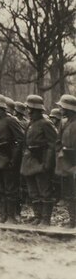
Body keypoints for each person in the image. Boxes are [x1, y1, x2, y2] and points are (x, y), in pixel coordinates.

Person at [0, 93, 25, 223]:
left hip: (8, 158)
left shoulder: (11, 120)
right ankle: (3, 215)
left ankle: (11, 216)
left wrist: (14, 159)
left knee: (10, 189)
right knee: (1, 189)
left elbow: (20, 139)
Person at [20, 95, 57, 225]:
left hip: (41, 161)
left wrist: (47, 163)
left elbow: (53, 145)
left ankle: (46, 219)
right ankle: (38, 216)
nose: (28, 111)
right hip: (30, 161)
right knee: (33, 191)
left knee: (44, 191)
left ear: (37, 109)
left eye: (30, 109)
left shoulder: (46, 123)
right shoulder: (31, 123)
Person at [55, 94, 76, 228]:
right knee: (68, 193)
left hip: (74, 163)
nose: (60, 109)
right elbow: (57, 141)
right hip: (66, 163)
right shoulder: (64, 123)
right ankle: (73, 219)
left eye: (62, 107)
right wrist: (61, 152)